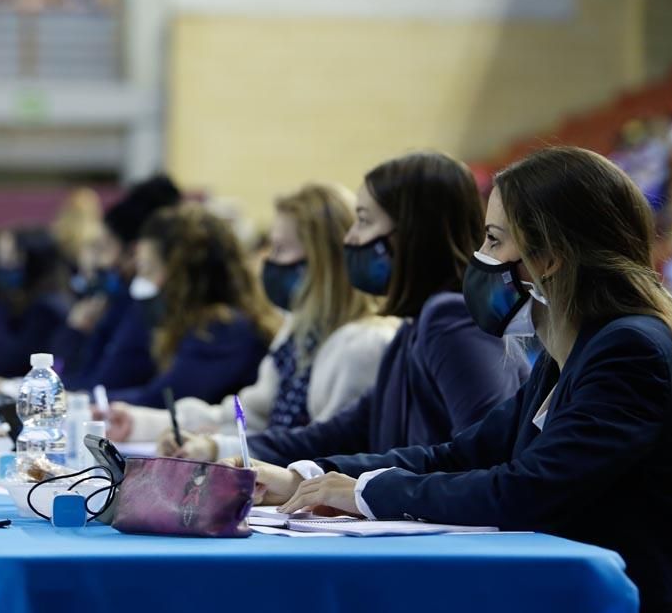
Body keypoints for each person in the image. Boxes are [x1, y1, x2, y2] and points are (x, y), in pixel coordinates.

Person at [248, 147, 672, 613]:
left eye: (493, 239)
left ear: (549, 256)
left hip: (627, 607)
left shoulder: (628, 349)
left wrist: (364, 493)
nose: (479, 257)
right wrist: (308, 479)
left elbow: (526, 489)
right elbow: (459, 453)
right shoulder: (573, 353)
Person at [223, 152, 527, 466]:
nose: (351, 236)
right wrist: (227, 451)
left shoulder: (451, 319)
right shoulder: (414, 326)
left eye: (365, 221)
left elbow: (483, 456)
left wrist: (335, 483)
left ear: (412, 234)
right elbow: (342, 432)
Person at [106, 183, 397, 449]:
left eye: (280, 249)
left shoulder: (364, 346)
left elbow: (323, 447)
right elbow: (249, 416)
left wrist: (216, 448)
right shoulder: (298, 334)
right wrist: (144, 423)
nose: (267, 262)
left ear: (321, 263)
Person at [106, 202, 281, 408]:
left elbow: (163, 399)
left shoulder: (224, 329)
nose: (143, 281)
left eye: (148, 269)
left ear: (179, 274)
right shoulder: (200, 325)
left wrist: (82, 402)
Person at [55, 174, 180, 391]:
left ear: (134, 254)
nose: (97, 263)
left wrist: (75, 335)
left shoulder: (140, 311)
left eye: (103, 249)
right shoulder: (113, 306)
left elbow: (97, 386)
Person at [0, 228, 69, 377]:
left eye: (9, 258)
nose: (0, 264)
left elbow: (5, 362)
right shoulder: (18, 303)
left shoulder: (48, 308)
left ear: (32, 262)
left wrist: (1, 305)